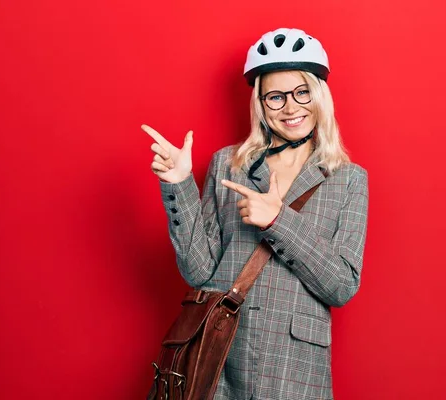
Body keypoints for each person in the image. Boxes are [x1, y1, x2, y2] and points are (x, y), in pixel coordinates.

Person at [142, 28, 369, 400]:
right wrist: (179, 184)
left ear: (319, 96)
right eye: (276, 97)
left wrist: (279, 220)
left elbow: (342, 285)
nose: (292, 108)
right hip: (219, 357)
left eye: (301, 92)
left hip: (294, 369)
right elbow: (199, 272)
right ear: (260, 104)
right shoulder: (228, 165)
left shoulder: (348, 180)